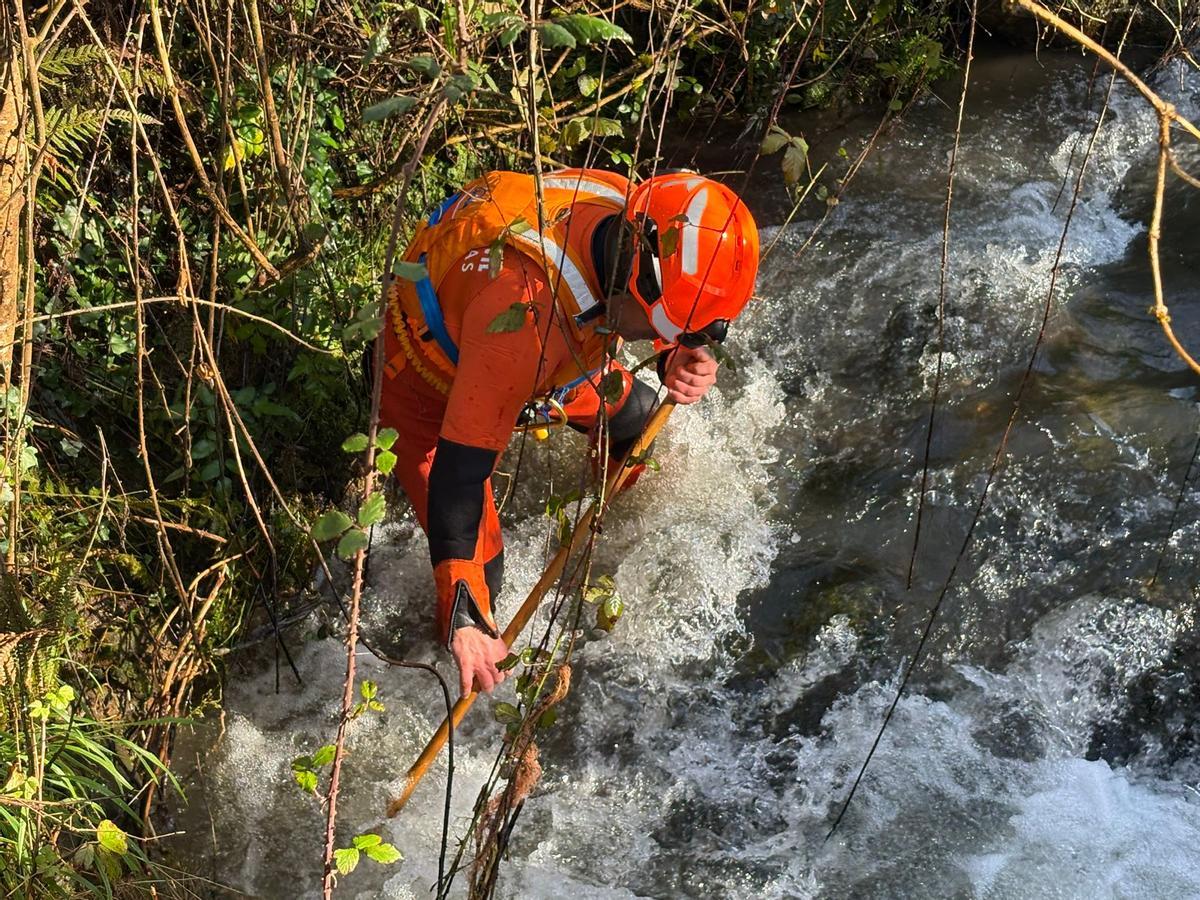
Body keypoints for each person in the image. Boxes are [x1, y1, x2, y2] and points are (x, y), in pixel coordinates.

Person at [378, 168, 759, 698]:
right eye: (663, 327)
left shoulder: (640, 214)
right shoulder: (523, 320)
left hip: (548, 353)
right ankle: (447, 666)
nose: (661, 338)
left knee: (636, 427)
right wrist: (464, 615)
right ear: (636, 279)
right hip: (426, 381)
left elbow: (642, 307)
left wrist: (678, 352)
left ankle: (602, 529)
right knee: (482, 574)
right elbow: (458, 476)